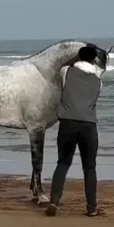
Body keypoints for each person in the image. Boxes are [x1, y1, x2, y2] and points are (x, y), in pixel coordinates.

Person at [46, 44, 105, 217]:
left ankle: (54, 202)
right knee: (89, 167)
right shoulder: (98, 81)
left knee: (63, 163)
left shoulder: (66, 72)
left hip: (68, 124)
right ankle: (92, 208)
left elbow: (64, 64)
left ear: (79, 57)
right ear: (94, 59)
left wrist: (76, 55)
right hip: (88, 126)